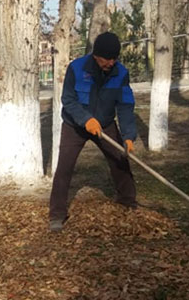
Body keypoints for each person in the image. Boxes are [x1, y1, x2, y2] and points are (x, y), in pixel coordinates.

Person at [49, 31, 138, 232]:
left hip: (105, 124)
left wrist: (129, 136)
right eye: (107, 58)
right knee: (64, 167)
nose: (111, 62)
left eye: (115, 58)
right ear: (96, 55)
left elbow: (125, 105)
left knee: (120, 160)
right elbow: (68, 100)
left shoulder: (121, 73)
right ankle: (56, 215)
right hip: (74, 125)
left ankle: (128, 202)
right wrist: (85, 119)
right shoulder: (77, 68)